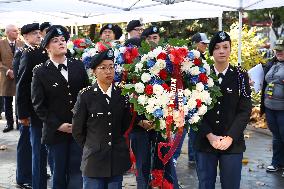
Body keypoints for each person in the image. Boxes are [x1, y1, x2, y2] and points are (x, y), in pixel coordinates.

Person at [31, 25, 89, 189]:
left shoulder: (77, 65)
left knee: (78, 173)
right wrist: (58, 125)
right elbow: (39, 105)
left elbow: (87, 96)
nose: (61, 43)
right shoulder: (40, 72)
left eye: (63, 40)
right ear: (47, 47)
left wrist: (83, 122)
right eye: (55, 41)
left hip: (79, 130)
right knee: (58, 174)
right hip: (56, 133)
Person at [195, 31, 252, 189]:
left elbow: (245, 110)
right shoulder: (200, 75)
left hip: (232, 143)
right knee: (205, 185)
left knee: (231, 185)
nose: (221, 51)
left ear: (230, 50)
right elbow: (194, 109)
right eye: (217, 47)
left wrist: (230, 137)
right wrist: (210, 135)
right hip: (206, 142)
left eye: (225, 47)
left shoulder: (241, 76)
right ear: (212, 51)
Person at [72, 48, 131, 189]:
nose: (108, 71)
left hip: (116, 158)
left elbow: (124, 124)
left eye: (111, 67)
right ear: (94, 72)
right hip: (94, 160)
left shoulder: (122, 94)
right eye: (103, 68)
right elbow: (77, 130)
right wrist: (93, 145)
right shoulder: (86, 95)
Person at [16, 23, 48, 189]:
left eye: (39, 33)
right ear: (25, 37)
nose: (38, 36)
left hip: (40, 108)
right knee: (31, 147)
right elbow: (21, 86)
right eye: (34, 34)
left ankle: (33, 176)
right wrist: (22, 114)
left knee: (36, 148)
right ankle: (26, 177)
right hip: (31, 109)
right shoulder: (27, 54)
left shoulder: (39, 51)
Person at [173, 32, 210, 166]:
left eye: (206, 43)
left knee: (195, 127)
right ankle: (174, 156)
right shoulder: (186, 57)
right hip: (185, 98)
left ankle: (193, 156)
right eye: (203, 43)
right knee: (181, 128)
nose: (205, 45)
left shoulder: (204, 58)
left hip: (198, 98)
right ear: (195, 43)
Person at [260, 37, 284, 177]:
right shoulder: (272, 63)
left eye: (282, 50)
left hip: (282, 108)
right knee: (276, 136)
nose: (279, 52)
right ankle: (276, 163)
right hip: (270, 106)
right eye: (277, 50)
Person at [0, 24, 24, 133]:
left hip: (19, 76)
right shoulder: (1, 43)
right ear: (8, 33)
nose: (17, 32)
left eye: (17, 31)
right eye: (14, 31)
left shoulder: (21, 44)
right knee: (7, 101)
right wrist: (7, 70)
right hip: (6, 77)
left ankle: (20, 123)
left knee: (19, 101)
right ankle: (9, 124)